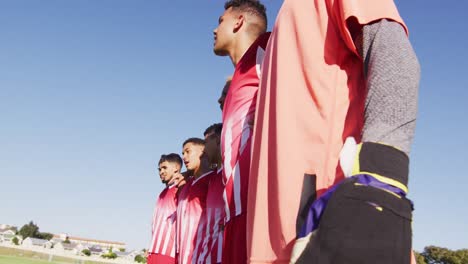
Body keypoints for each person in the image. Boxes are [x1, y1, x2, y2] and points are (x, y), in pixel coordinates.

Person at [247, 0, 421, 263]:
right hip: (272, 240)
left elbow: (393, 55)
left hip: (327, 228)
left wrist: (380, 187)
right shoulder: (287, 14)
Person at [213, 1, 269, 263]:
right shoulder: (237, 77)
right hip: (234, 213)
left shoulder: (268, 48)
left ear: (238, 22)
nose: (215, 29)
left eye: (220, 21)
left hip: (259, 211)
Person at [192, 123, 225, 264]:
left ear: (218, 139)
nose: (204, 150)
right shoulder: (211, 178)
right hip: (206, 252)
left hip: (223, 253)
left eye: (206, 142)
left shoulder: (232, 173)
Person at [176, 138, 212, 264]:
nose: (184, 157)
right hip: (183, 252)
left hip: (202, 252)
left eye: (188, 152)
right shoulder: (186, 184)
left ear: (202, 151)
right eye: (182, 153)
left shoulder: (212, 180)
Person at [147, 154, 182, 264]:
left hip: (169, 253)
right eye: (159, 169)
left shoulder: (181, 189)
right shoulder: (162, 193)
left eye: (165, 168)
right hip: (154, 251)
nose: (161, 172)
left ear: (176, 167)